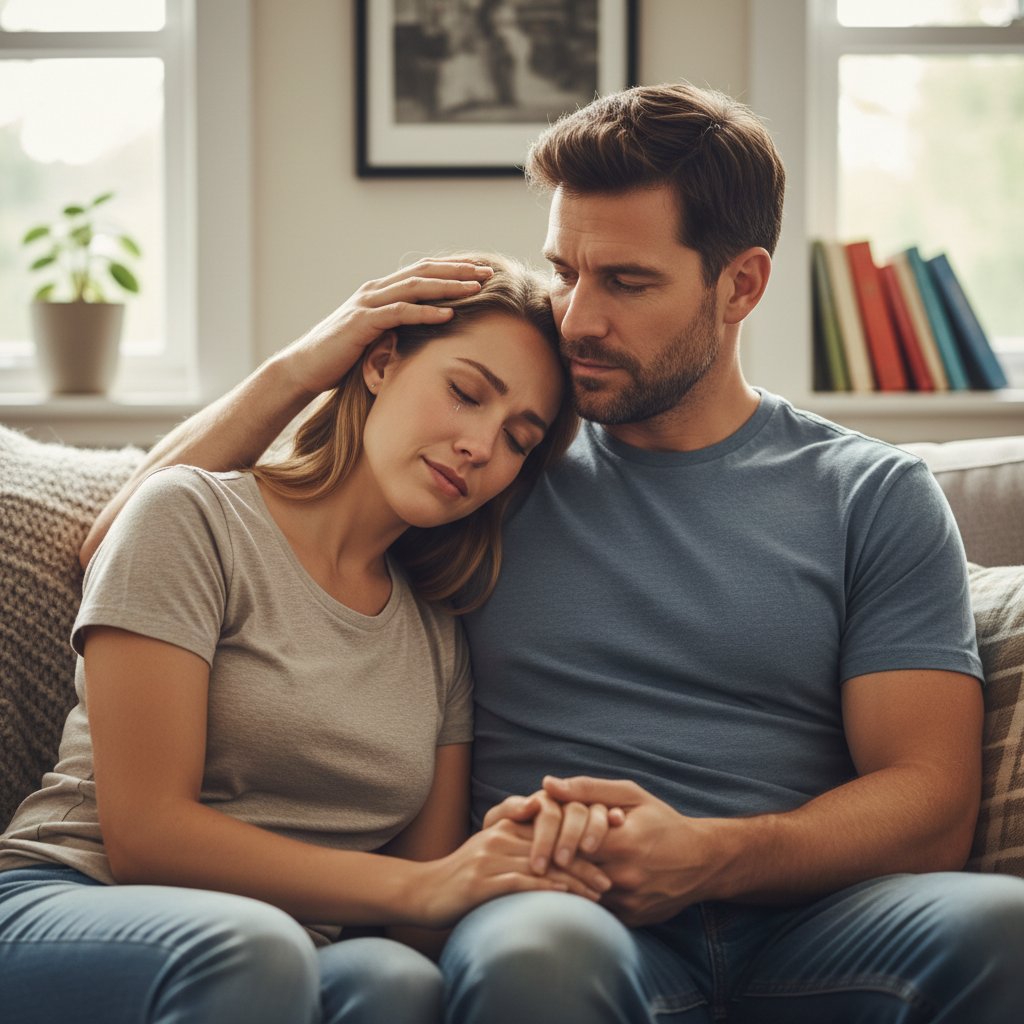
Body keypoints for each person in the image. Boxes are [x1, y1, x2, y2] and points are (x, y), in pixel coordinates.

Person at [75, 83, 1024, 1022]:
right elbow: (133, 544)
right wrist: (309, 361)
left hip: (820, 917)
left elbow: (931, 800)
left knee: (1002, 925)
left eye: (626, 281)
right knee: (539, 955)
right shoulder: (496, 466)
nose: (575, 319)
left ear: (740, 284)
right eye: (566, 271)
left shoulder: (872, 494)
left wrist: (716, 852)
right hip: (566, 909)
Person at [0, 253, 614, 1024]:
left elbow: (419, 915)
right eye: (465, 394)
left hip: (294, 947)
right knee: (256, 948)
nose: (481, 446)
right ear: (381, 362)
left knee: (399, 980)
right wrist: (424, 885)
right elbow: (143, 834)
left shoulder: (440, 635)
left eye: (518, 439)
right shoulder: (191, 519)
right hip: (76, 898)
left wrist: (516, 852)